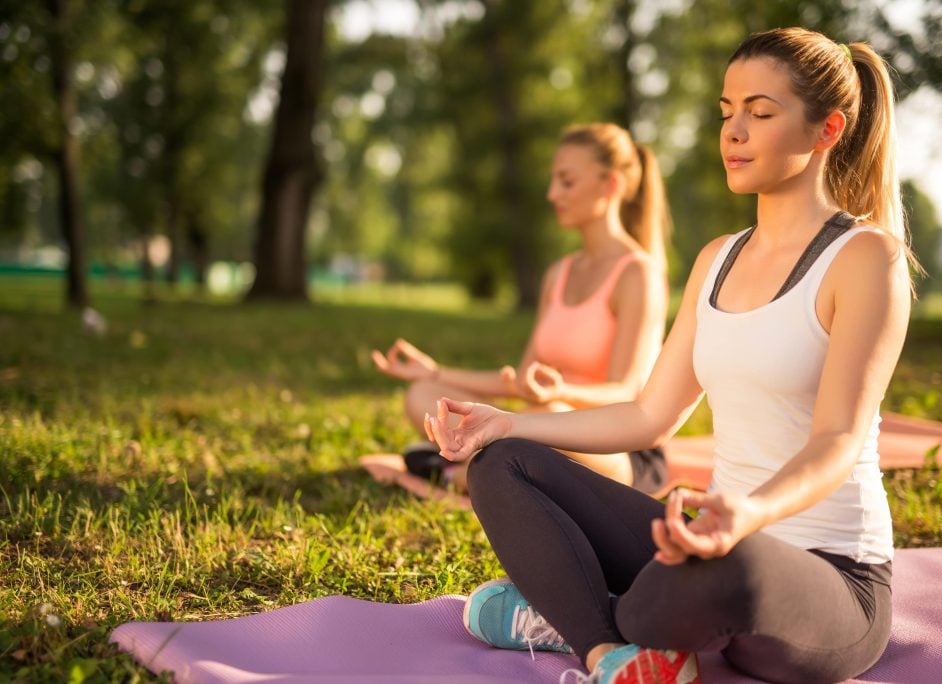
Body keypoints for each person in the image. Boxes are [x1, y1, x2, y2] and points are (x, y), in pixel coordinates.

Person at [426, 27, 914, 684]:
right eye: (727, 111)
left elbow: (835, 439)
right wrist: (509, 423)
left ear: (827, 130)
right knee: (502, 464)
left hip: (828, 579)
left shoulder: (864, 259)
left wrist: (748, 513)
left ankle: (571, 609)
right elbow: (650, 414)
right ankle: (608, 653)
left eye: (761, 113)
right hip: (709, 540)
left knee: (716, 572)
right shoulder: (717, 259)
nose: (733, 131)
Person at [373, 122, 672, 493]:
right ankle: (472, 465)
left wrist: (560, 392)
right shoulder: (558, 274)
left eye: (566, 181)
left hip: (619, 449)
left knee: (550, 416)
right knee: (423, 395)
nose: (552, 194)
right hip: (542, 425)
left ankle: (457, 471)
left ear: (609, 185)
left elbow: (630, 393)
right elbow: (519, 381)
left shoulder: (638, 275)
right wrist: (436, 372)